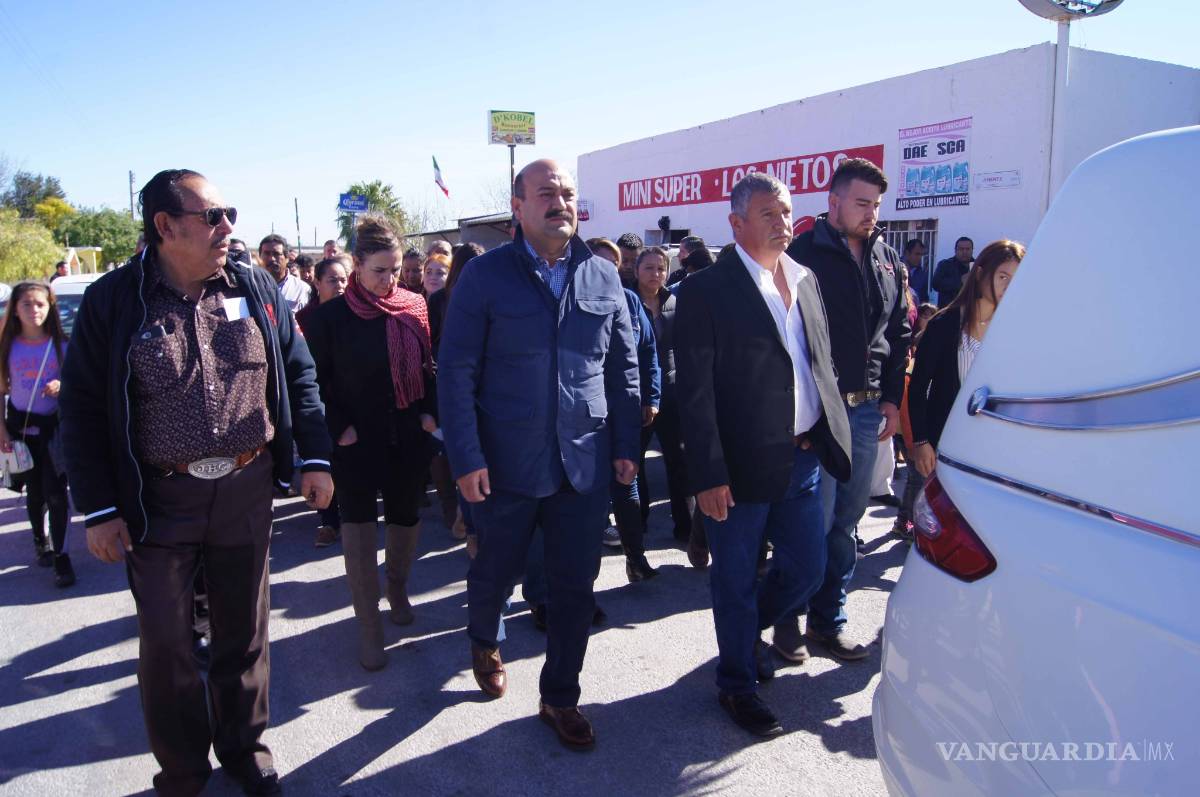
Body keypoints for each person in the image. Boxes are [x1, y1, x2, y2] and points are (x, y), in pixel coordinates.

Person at [58, 168, 334, 796]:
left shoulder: (255, 287)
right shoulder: (113, 302)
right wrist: (99, 509)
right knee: (168, 648)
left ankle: (245, 749)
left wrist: (314, 459)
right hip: (159, 503)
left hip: (245, 489)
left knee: (244, 635)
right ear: (165, 226)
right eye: (213, 215)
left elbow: (300, 375)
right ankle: (182, 770)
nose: (227, 227)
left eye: (228, 213)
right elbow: (80, 409)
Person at [438, 158, 640, 751]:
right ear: (518, 206)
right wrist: (466, 458)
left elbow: (623, 368)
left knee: (576, 586)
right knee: (496, 571)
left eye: (568, 192)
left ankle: (560, 697)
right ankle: (484, 637)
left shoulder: (603, 276)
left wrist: (626, 445)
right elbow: (456, 372)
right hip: (505, 464)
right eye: (546, 192)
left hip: (584, 464)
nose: (560, 201)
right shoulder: (485, 277)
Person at [675, 172, 851, 737]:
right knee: (733, 579)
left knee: (807, 568)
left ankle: (748, 632)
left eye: (787, 211)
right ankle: (736, 685)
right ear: (736, 224)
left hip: (801, 459)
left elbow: (816, 362)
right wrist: (707, 474)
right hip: (738, 467)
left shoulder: (804, 279)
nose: (783, 222)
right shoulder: (705, 291)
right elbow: (694, 395)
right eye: (769, 214)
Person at [778, 157, 911, 664]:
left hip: (867, 410)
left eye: (876, 204)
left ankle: (827, 621)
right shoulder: (801, 253)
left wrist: (893, 400)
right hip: (817, 413)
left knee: (847, 524)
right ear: (833, 202)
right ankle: (787, 617)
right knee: (812, 522)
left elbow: (898, 333)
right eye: (862, 203)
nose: (871, 213)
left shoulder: (885, 258)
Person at [305, 216, 437, 671]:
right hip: (356, 442)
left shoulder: (415, 306)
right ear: (356, 265)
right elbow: (316, 383)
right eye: (380, 270)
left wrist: (428, 413)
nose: (390, 279)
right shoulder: (329, 318)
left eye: (396, 269)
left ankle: (396, 587)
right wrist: (339, 426)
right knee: (358, 528)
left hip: (407, 437)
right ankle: (368, 626)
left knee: (405, 518)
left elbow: (428, 368)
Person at [909, 241, 1024, 482]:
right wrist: (921, 441)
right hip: (945, 441)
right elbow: (918, 387)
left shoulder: (1016, 331)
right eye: (1002, 276)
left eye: (1017, 278)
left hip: (995, 448)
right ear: (979, 274)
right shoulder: (944, 323)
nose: (1009, 286)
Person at [0, 281, 73, 586]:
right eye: (27, 304)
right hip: (22, 433)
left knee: (57, 496)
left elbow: (81, 387)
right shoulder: (7, 347)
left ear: (51, 307)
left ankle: (61, 555)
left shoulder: (63, 345)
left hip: (55, 432)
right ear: (15, 309)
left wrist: (62, 385)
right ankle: (39, 540)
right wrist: (2, 431)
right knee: (35, 493)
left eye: (40, 304)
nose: (34, 310)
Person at [632, 246, 696, 545]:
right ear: (636, 270)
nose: (656, 274)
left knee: (679, 460)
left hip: (671, 392)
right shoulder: (626, 302)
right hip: (635, 392)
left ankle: (686, 527)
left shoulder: (674, 301)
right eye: (649, 268)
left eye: (661, 268)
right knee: (634, 462)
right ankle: (637, 521)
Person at [426, 243, 484, 537]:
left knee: (471, 453)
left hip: (482, 389)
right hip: (448, 385)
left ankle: (467, 514)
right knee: (451, 453)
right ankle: (458, 513)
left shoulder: (489, 297)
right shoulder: (438, 301)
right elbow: (430, 347)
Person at [296, 255, 351, 548]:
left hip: (350, 401)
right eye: (332, 280)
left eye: (344, 279)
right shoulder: (304, 319)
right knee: (324, 461)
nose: (340, 286)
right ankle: (328, 522)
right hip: (319, 402)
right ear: (317, 283)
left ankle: (352, 518)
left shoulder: (356, 314)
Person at [893, 301, 938, 538]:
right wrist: (912, 445)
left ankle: (906, 521)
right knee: (915, 482)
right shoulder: (912, 375)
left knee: (917, 481)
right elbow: (907, 414)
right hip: (910, 438)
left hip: (915, 438)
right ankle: (904, 522)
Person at [259, 233, 312, 313]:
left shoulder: (302, 289)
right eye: (266, 253)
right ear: (260, 256)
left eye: (277, 254)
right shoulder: (252, 286)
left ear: (287, 258)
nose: (272, 258)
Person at [932, 236, 973, 307]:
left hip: (971, 312)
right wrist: (961, 281)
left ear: (972, 250)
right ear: (955, 250)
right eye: (961, 249)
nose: (964, 252)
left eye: (968, 249)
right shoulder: (945, 265)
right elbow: (936, 284)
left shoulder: (977, 266)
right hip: (948, 312)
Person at [902, 239, 930, 305]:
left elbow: (924, 297)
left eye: (921, 255)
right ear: (907, 253)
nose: (920, 257)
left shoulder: (922, 274)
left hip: (915, 312)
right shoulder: (895, 268)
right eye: (917, 254)